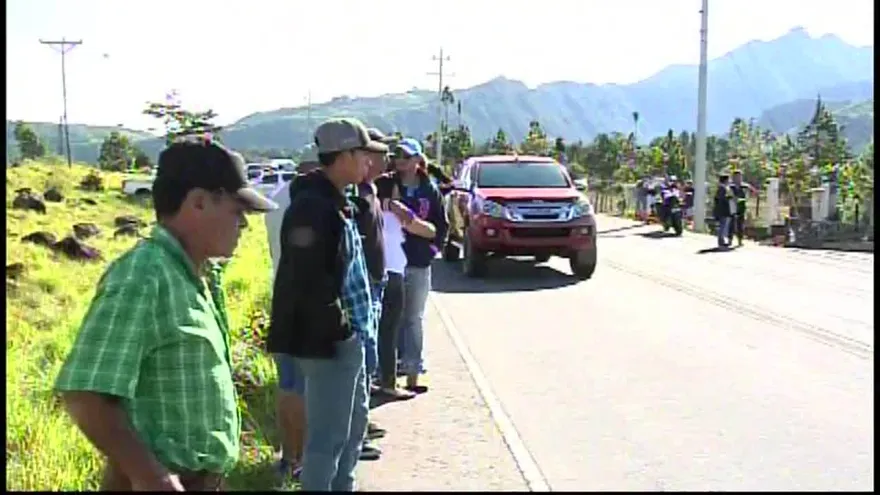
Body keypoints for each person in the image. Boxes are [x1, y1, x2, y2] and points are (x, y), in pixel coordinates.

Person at [54, 137, 277, 491]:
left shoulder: (199, 275)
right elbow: (85, 392)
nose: (244, 225)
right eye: (237, 212)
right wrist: (151, 476)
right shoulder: (144, 275)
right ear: (199, 202)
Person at [267, 117, 387, 492]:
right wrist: (342, 333)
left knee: (351, 432)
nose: (369, 163)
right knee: (327, 442)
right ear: (344, 156)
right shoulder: (314, 207)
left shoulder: (337, 201)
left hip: (348, 337)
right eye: (362, 154)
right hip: (330, 343)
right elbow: (309, 281)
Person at [264, 144, 320, 481]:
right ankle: (302, 458)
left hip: (280, 296)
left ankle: (289, 456)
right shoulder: (309, 204)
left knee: (288, 382)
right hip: (308, 302)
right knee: (306, 385)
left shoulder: (275, 197)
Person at [392, 138, 448, 393]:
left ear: (417, 160)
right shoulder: (387, 185)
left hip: (417, 263)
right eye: (397, 156)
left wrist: (432, 249)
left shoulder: (429, 189)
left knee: (413, 317)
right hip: (391, 262)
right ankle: (388, 373)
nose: (400, 161)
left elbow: (441, 225)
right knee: (391, 318)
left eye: (405, 156)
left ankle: (413, 374)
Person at [729, 170, 752, 247]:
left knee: (740, 224)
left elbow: (752, 193)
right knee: (731, 224)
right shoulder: (730, 187)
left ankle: (740, 239)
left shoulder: (745, 186)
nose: (738, 179)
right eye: (736, 177)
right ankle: (730, 239)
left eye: (739, 177)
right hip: (732, 207)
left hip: (742, 207)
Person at [713, 172, 735, 248]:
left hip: (723, 210)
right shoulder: (722, 188)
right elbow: (722, 199)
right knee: (723, 226)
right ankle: (721, 241)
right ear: (725, 180)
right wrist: (729, 198)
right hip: (723, 210)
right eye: (728, 179)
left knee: (723, 226)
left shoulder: (723, 188)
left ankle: (722, 240)